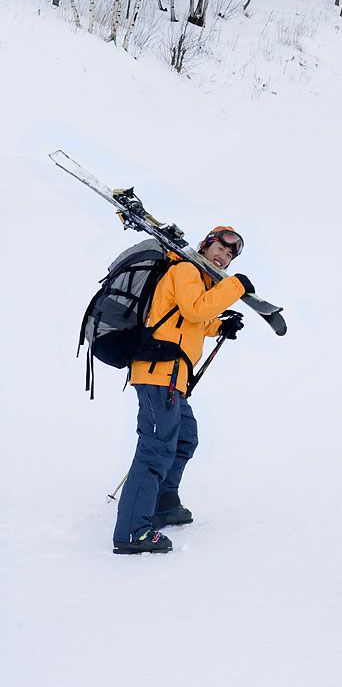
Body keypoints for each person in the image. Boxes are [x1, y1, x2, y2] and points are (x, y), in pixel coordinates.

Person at [113, 226, 255, 555]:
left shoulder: (197, 281)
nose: (224, 256)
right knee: (155, 450)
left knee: (185, 437)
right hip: (158, 373)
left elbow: (192, 319)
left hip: (173, 378)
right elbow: (194, 309)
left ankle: (162, 503)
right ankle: (131, 532)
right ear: (206, 245)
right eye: (220, 247)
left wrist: (221, 326)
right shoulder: (186, 268)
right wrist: (235, 286)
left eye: (231, 255)